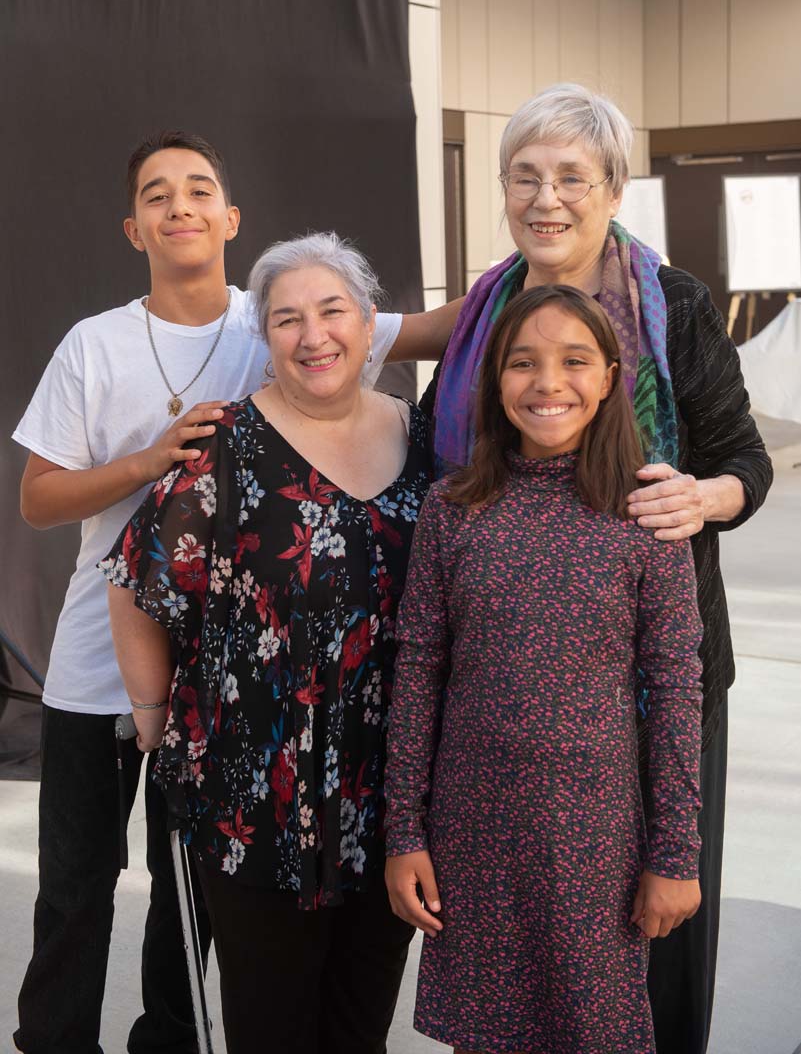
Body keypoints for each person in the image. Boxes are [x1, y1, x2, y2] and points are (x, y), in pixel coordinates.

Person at [12, 131, 457, 1054]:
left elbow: (440, 325)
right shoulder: (96, 344)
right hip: (106, 664)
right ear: (133, 228)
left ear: (230, 218)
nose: (180, 205)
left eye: (198, 189)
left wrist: (568, 261)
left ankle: (169, 1040)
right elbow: (37, 500)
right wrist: (150, 459)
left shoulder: (278, 314)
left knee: (190, 896)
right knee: (76, 884)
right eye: (157, 195)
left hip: (217, 683)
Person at [421, 84, 773, 1054]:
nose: (547, 199)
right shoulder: (487, 314)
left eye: (573, 177)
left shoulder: (673, 305)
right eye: (525, 176)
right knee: (529, 939)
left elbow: (746, 461)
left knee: (659, 919)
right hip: (511, 693)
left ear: (614, 190)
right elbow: (428, 462)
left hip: (660, 674)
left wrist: (703, 498)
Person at [101, 232, 431, 1054]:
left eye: (332, 311)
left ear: (368, 323)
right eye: (286, 319)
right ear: (265, 335)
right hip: (251, 785)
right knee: (271, 1025)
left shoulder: (426, 438)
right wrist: (151, 717)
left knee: (359, 1022)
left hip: (387, 785)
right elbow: (135, 580)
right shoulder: (225, 446)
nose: (313, 335)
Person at [385, 285, 704, 1054]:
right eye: (523, 362)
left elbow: (674, 690)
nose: (547, 382)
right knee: (486, 1035)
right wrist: (403, 832)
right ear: (495, 379)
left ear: (609, 378)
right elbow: (418, 673)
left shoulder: (645, 513)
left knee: (594, 1032)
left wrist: (675, 854)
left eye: (573, 361)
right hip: (472, 833)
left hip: (595, 838)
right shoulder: (452, 509)